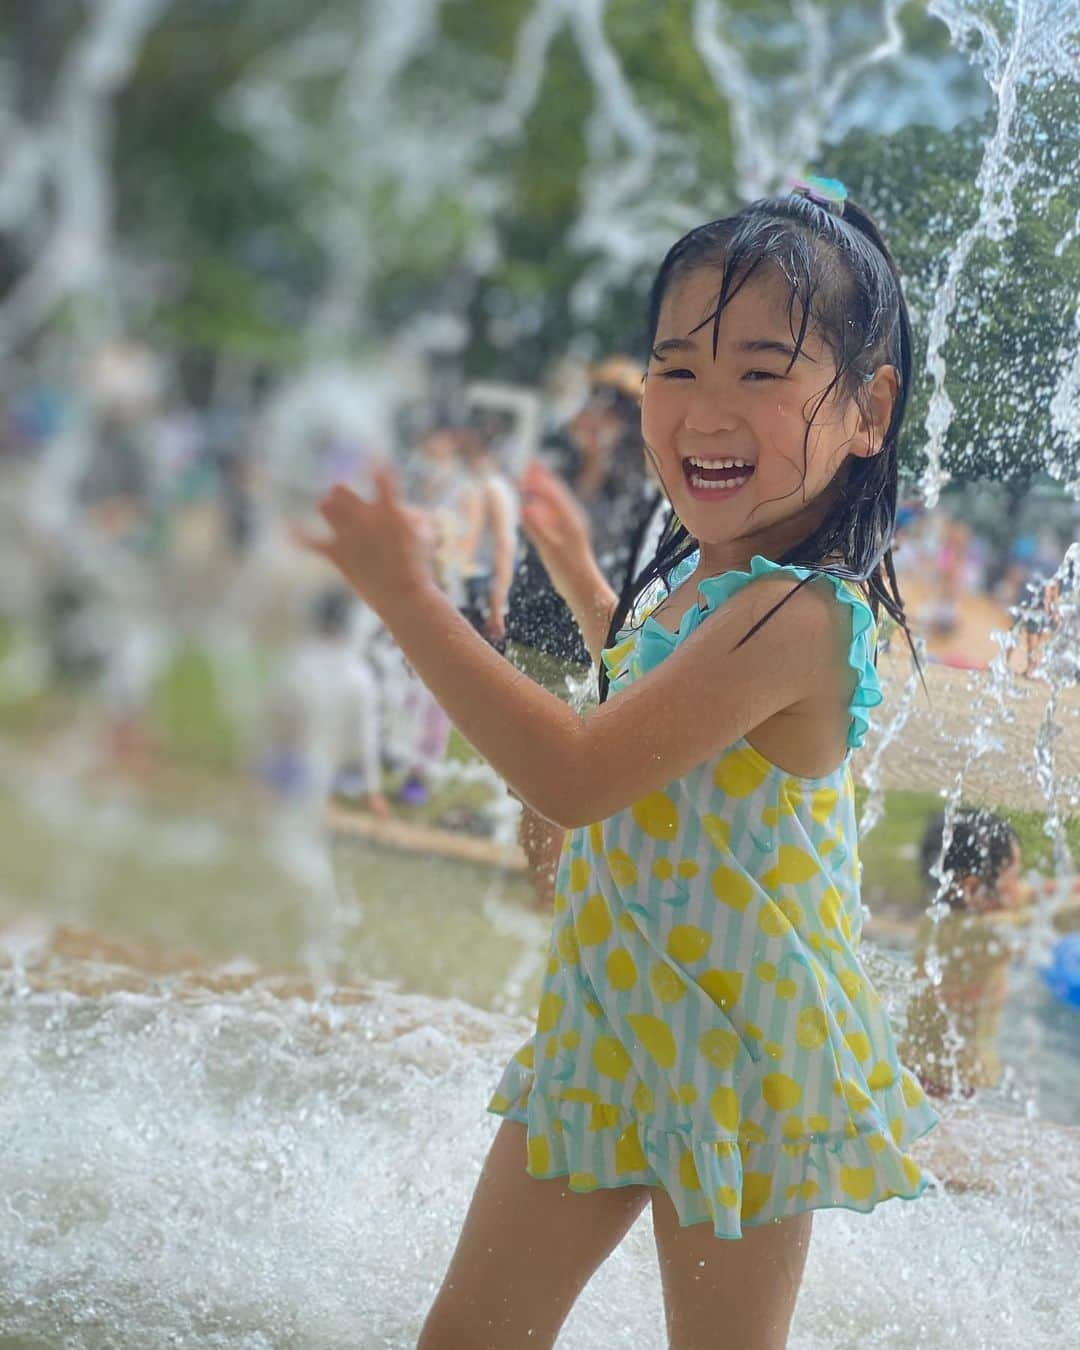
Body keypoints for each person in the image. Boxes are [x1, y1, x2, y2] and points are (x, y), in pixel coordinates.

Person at [294, 178, 939, 1349]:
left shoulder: (801, 614)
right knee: (472, 1335)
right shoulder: (717, 584)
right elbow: (662, 711)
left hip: (745, 1058)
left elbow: (583, 774)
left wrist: (407, 599)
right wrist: (589, 581)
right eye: (678, 366)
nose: (705, 405)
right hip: (613, 1024)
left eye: (762, 369)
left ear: (868, 409)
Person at [901, 807, 1080, 1097]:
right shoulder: (974, 936)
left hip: (929, 1075)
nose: (1018, 888)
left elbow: (1040, 892)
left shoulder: (946, 917)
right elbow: (1055, 917)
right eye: (1012, 878)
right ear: (972, 889)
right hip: (942, 1089)